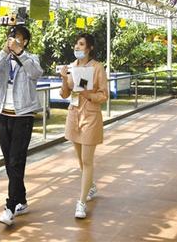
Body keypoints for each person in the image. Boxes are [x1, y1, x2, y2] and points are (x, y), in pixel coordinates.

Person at [0, 25, 44, 226]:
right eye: (10, 37)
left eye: (17, 37)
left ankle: (10, 207)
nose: (12, 40)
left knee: (16, 161)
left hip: (23, 115)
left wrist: (20, 54)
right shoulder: (3, 59)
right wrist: (3, 53)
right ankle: (22, 199)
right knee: (10, 161)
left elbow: (36, 73)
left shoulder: (31, 58)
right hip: (3, 114)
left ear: (24, 41)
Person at [59, 33, 108, 219]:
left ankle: (81, 203)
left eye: (81, 44)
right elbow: (64, 94)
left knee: (87, 160)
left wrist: (89, 95)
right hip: (74, 115)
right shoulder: (71, 67)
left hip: (90, 116)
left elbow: (104, 95)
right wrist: (64, 78)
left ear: (90, 48)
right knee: (80, 159)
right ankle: (91, 186)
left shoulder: (97, 68)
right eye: (76, 44)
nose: (77, 47)